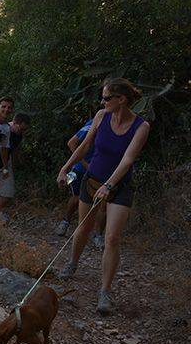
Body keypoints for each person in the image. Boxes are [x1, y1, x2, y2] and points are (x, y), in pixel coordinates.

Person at [56, 78, 150, 315]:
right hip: (92, 179)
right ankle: (73, 263)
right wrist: (65, 168)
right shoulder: (101, 116)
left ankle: (105, 292)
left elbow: (128, 159)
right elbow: (85, 145)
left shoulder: (141, 127)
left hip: (119, 186)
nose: (103, 101)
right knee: (84, 228)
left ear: (122, 100)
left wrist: (109, 185)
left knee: (112, 238)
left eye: (107, 98)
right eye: (103, 97)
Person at [54, 118, 106, 247]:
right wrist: (85, 164)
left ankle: (98, 235)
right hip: (82, 169)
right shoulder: (96, 121)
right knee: (77, 197)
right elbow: (72, 143)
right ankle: (66, 221)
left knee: (103, 202)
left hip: (104, 170)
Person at [0, 113, 31, 218]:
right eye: (21, 129)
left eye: (25, 130)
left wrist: (13, 165)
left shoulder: (19, 134)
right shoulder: (0, 130)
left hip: (5, 164)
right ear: (14, 123)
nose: (23, 132)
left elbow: (15, 150)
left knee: (8, 193)